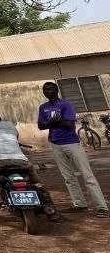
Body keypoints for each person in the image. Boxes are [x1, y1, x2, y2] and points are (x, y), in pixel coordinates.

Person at [0, 109, 56, 222]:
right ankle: (52, 213)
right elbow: (14, 139)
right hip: (21, 160)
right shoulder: (10, 124)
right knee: (37, 184)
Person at [38, 82, 109, 215]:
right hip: (55, 143)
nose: (48, 91)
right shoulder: (43, 108)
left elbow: (69, 124)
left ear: (57, 90)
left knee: (87, 175)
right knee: (68, 176)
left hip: (71, 142)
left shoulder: (66, 105)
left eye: (51, 89)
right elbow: (40, 126)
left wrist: (52, 122)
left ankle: (102, 207)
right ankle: (79, 203)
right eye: (45, 90)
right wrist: (55, 121)